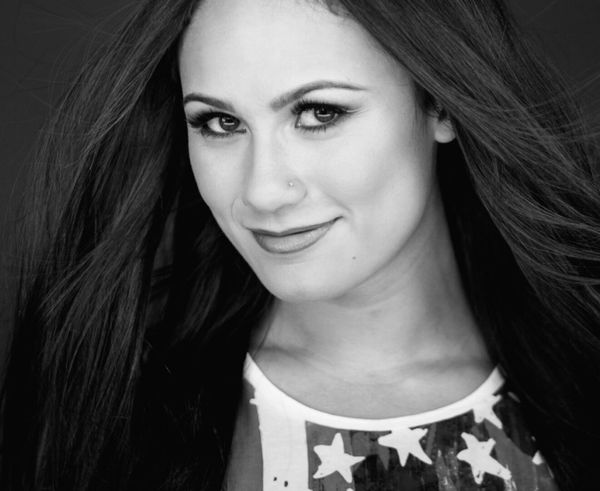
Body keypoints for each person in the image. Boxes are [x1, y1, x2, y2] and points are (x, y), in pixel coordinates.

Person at [1, 0, 599, 489]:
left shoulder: (584, 372)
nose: (262, 191)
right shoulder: (113, 404)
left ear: (439, 102)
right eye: (220, 123)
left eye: (318, 113)